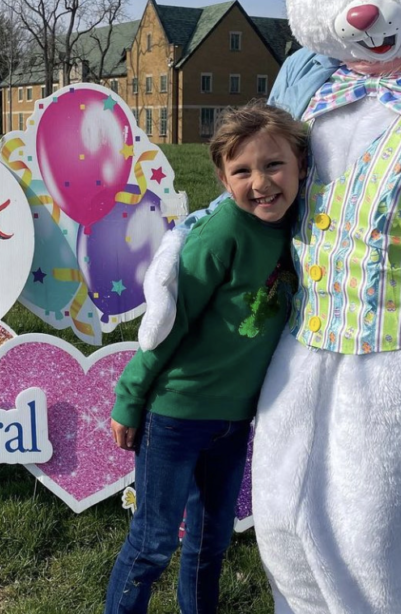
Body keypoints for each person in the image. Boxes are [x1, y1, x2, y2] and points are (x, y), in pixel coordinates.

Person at [105, 100, 308, 614]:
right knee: (152, 543)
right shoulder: (223, 234)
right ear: (222, 177)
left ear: (301, 163)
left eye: (274, 165)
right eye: (242, 171)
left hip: (233, 421)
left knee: (210, 545)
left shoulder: (300, 228)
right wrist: (130, 397)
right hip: (177, 414)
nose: (261, 182)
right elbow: (169, 319)